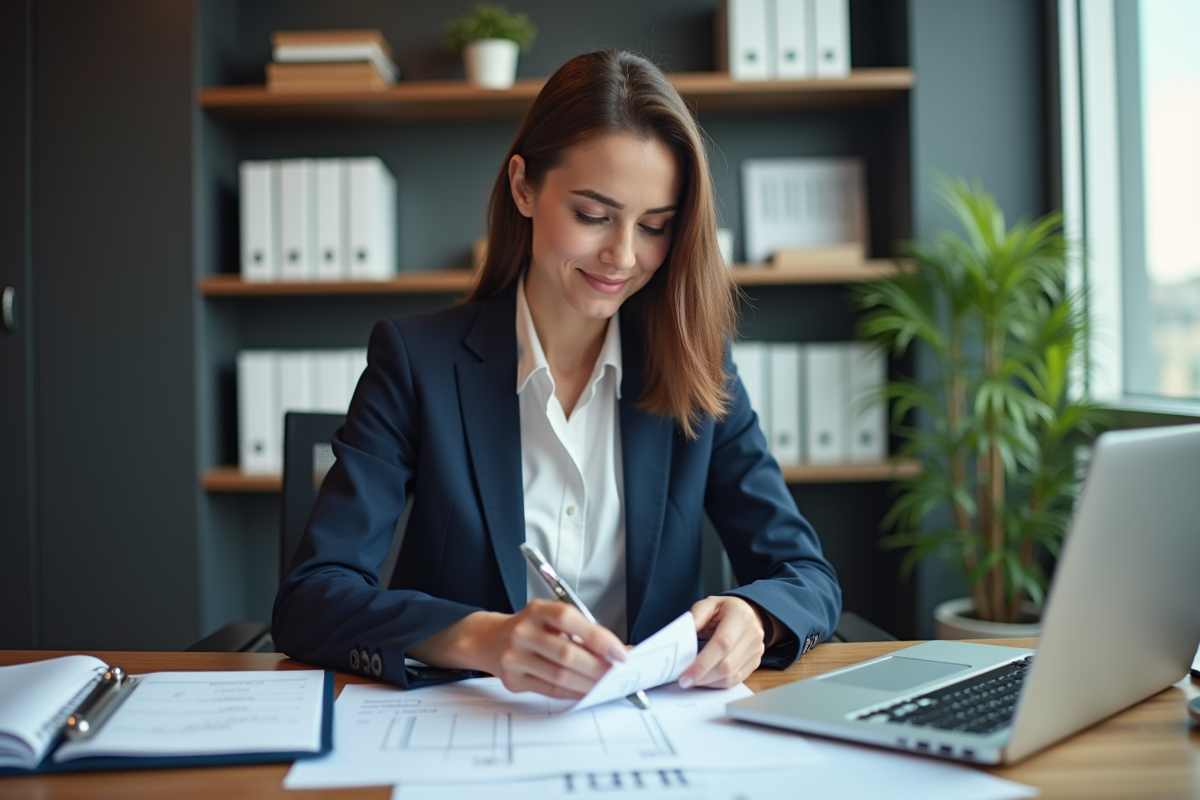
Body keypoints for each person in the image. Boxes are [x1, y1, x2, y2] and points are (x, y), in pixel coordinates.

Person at [272, 49, 841, 700]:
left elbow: (806, 574)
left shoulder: (697, 364)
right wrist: (481, 638)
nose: (623, 256)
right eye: (593, 215)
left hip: (653, 738)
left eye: (655, 227)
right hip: (468, 727)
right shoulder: (415, 359)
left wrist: (758, 619)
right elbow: (311, 599)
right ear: (524, 187)